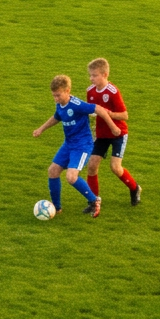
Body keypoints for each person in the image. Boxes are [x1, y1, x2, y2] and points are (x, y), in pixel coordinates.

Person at [29, 73, 119, 217]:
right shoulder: (60, 105)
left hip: (82, 146)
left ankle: (94, 200)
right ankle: (56, 208)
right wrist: (41, 129)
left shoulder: (77, 105)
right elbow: (57, 117)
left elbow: (99, 109)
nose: (56, 99)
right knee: (52, 171)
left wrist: (113, 127)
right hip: (69, 144)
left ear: (67, 91)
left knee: (71, 177)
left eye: (58, 95)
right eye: (53, 96)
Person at [82, 57, 142, 205]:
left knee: (115, 167)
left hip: (118, 133)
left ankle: (135, 188)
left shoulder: (113, 92)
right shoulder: (90, 91)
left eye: (94, 75)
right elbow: (92, 111)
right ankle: (93, 202)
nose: (91, 78)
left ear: (104, 74)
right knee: (91, 166)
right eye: (90, 75)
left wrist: (107, 114)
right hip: (102, 135)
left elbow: (124, 115)